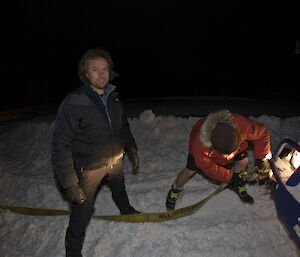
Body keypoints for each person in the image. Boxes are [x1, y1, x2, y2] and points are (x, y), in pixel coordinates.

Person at [52, 47, 139, 257]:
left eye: (105, 69)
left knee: (119, 187)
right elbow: (60, 144)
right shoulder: (74, 102)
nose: (102, 74)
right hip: (88, 168)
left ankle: (125, 209)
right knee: (82, 213)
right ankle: (72, 252)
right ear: (86, 73)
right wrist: (70, 183)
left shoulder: (114, 97)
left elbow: (123, 127)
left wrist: (131, 148)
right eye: (95, 70)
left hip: (115, 159)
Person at [166, 109, 271, 211]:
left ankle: (239, 182)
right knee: (189, 170)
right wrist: (229, 177)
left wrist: (262, 158)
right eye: (227, 155)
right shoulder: (199, 145)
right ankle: (175, 189)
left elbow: (262, 134)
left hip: (236, 144)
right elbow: (208, 167)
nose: (230, 157)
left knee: (243, 160)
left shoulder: (242, 124)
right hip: (207, 149)